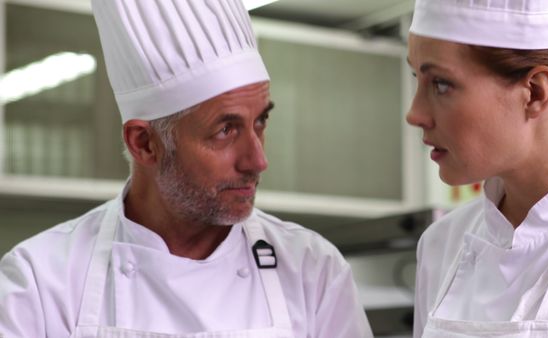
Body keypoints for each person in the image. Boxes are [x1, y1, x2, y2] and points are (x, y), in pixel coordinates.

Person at [0, 1, 373, 337]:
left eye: (260, 122)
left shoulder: (312, 271)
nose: (257, 160)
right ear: (144, 143)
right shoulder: (39, 282)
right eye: (225, 130)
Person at [406, 0, 548, 337]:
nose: (415, 114)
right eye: (417, 78)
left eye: (441, 84)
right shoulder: (441, 244)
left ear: (534, 92)